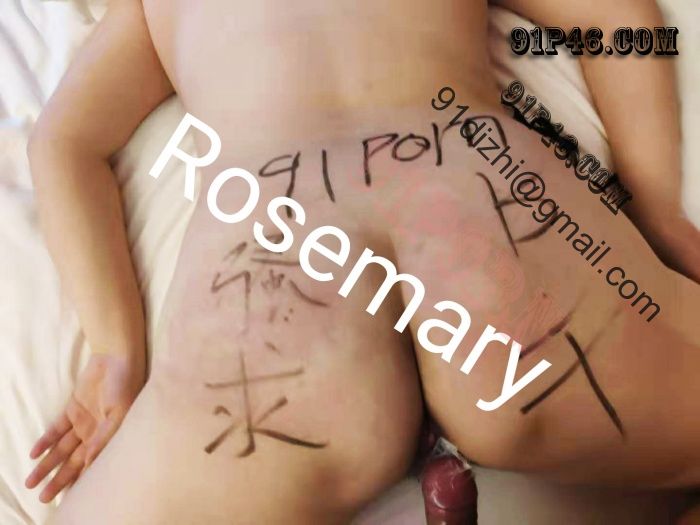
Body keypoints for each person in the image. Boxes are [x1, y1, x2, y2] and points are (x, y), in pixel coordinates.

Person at [23, 0, 700, 522]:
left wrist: (115, 350)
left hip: (275, 267)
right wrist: (657, 212)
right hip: (477, 211)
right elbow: (618, 17)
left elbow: (64, 140)